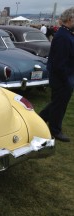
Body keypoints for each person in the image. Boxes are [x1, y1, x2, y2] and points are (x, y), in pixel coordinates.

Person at [39, 7, 74, 142]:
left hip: (65, 77)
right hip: (62, 78)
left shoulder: (67, 34)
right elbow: (60, 63)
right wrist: (67, 80)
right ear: (70, 19)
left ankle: (40, 119)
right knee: (59, 105)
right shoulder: (63, 36)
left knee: (57, 103)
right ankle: (55, 130)